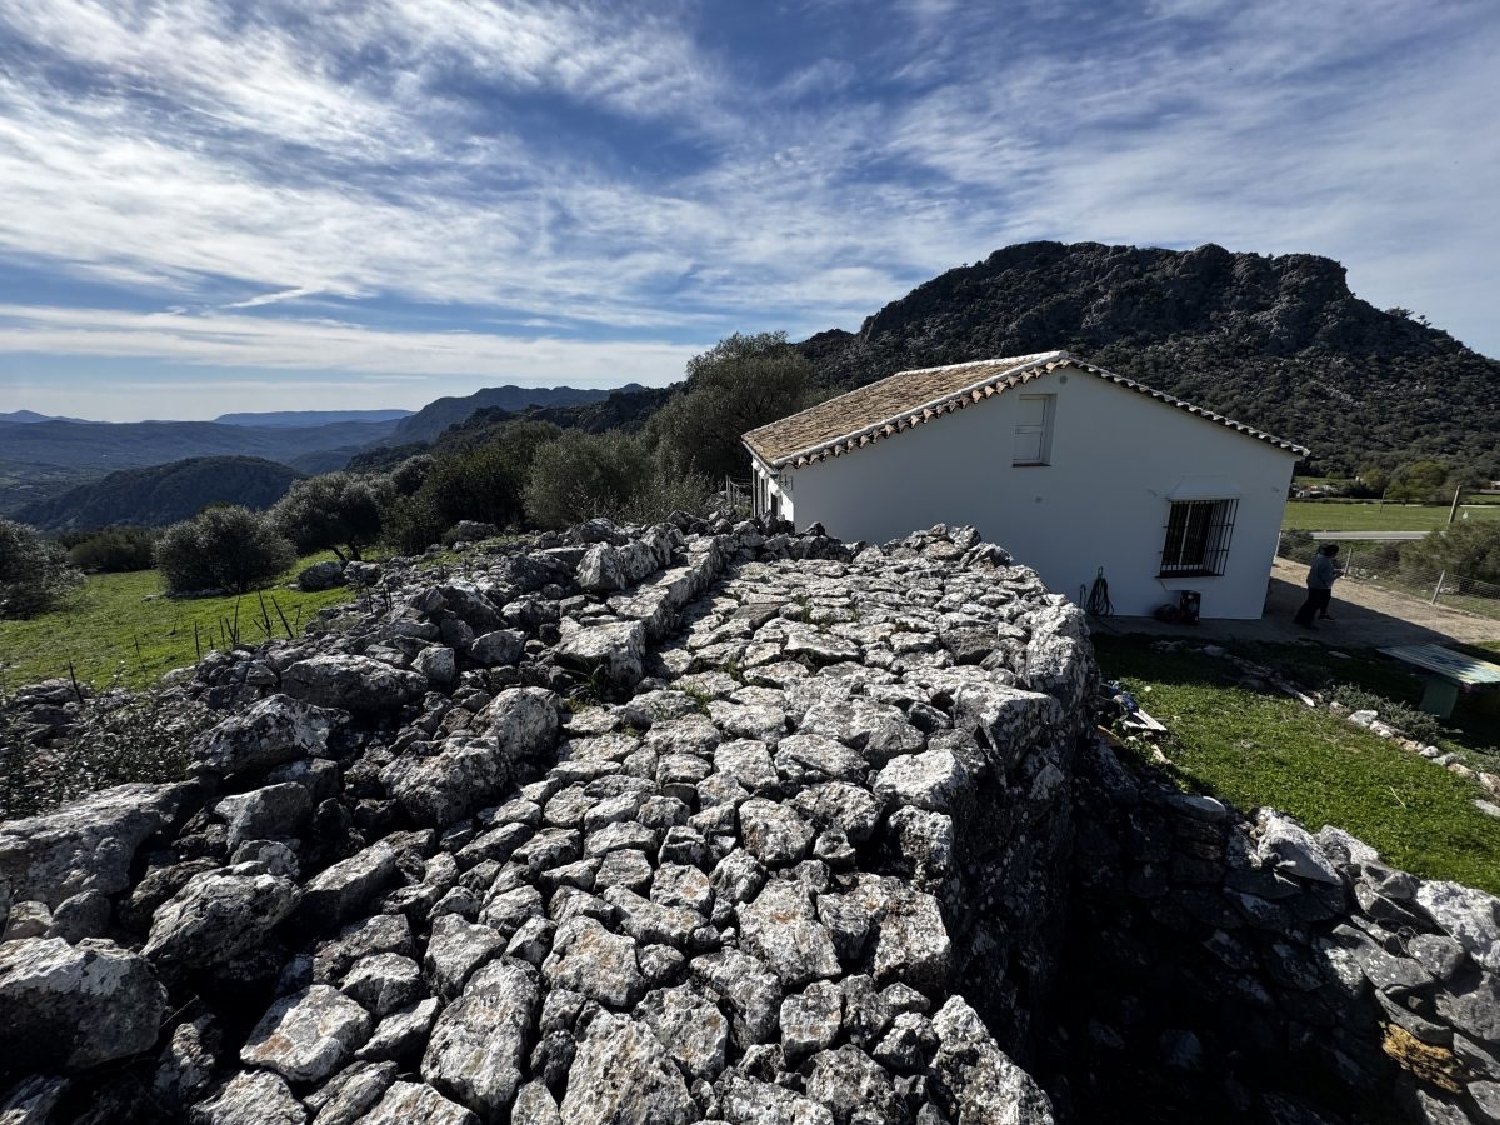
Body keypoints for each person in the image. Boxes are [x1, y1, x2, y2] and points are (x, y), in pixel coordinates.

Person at [1294, 544, 1341, 629]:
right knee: (1314, 605)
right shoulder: (1327, 563)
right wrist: (1337, 575)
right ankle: (1307, 622)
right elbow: (1326, 578)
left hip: (1312, 584)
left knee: (1309, 603)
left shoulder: (1318, 559)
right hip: (1320, 587)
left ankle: (1299, 618)